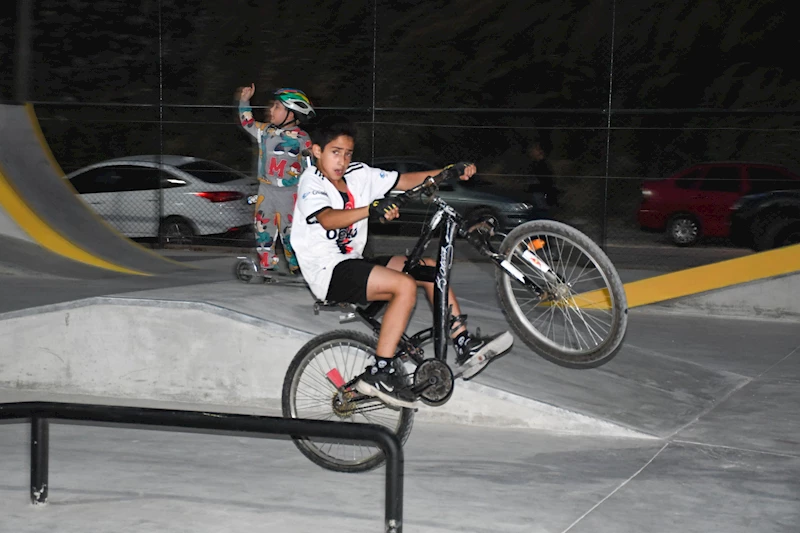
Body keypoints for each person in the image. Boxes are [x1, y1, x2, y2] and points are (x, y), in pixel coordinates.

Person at [292, 116, 513, 408]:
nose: (342, 161)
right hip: (328, 272)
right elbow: (328, 218)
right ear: (317, 151)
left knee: (430, 269)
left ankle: (462, 342)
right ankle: (380, 372)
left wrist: (448, 173)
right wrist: (371, 209)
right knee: (404, 286)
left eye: (347, 153)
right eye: (335, 152)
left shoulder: (359, 175)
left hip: (354, 263)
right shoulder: (312, 181)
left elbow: (405, 180)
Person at [236, 83, 315, 274]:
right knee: (263, 230)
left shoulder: (303, 139)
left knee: (291, 233)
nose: (271, 110)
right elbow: (247, 122)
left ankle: (297, 267)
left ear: (292, 112)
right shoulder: (265, 132)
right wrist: (244, 101)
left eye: (277, 107)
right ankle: (267, 266)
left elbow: (310, 170)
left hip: (290, 195)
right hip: (266, 192)